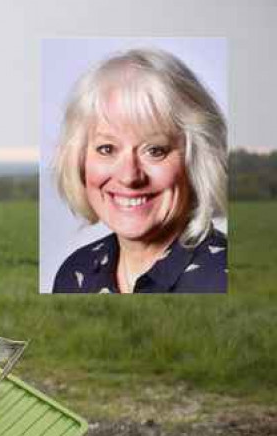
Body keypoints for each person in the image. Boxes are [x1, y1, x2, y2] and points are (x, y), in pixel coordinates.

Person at [51, 48, 228, 294]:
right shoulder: (76, 273)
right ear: (79, 160)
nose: (129, 176)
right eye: (107, 149)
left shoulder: (220, 280)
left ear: (196, 159)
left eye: (155, 150)